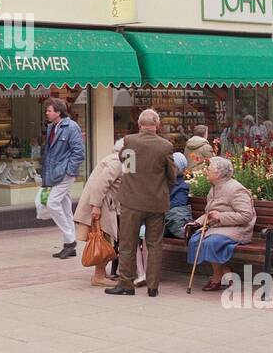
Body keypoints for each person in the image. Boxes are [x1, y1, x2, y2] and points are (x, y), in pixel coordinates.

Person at [105, 109, 176, 297]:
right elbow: (172, 176)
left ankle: (126, 284)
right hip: (156, 202)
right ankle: (153, 287)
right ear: (157, 125)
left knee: (128, 243)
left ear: (139, 124)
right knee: (154, 245)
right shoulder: (165, 146)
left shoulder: (130, 141)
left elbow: (126, 165)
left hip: (131, 201)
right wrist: (160, 188)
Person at [187, 156, 256, 292]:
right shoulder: (214, 188)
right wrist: (197, 222)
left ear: (218, 173)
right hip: (220, 227)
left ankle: (216, 278)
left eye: (209, 169)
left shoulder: (236, 189)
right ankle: (227, 272)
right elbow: (209, 212)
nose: (206, 171)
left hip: (238, 229)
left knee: (209, 242)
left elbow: (246, 215)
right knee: (195, 240)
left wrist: (221, 216)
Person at [73, 141, 124, 288]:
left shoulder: (113, 159)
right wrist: (96, 206)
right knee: (104, 238)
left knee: (103, 238)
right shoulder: (117, 162)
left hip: (102, 204)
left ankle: (101, 273)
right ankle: (99, 276)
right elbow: (101, 184)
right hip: (101, 205)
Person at [41, 98, 85, 260]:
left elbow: (79, 152)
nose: (47, 112)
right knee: (65, 208)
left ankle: (70, 240)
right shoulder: (52, 127)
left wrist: (69, 170)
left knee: (52, 203)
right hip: (55, 173)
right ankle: (68, 245)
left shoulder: (71, 127)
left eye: (49, 110)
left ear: (58, 112)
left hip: (64, 173)